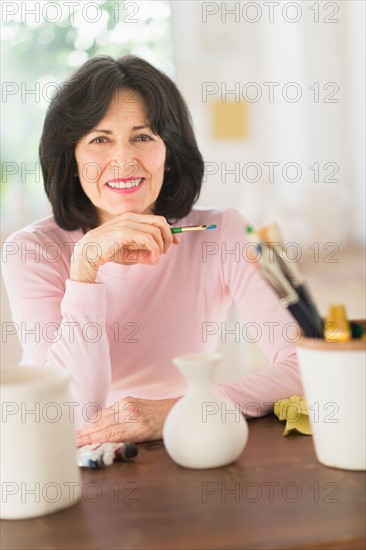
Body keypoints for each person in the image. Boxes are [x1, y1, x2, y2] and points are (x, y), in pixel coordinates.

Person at [2, 55, 303, 446]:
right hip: (63, 459)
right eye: (99, 139)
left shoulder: (221, 232)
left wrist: (184, 410)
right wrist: (85, 269)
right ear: (72, 160)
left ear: (170, 153)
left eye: (143, 137)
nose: (124, 160)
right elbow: (69, 414)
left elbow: (304, 365)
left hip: (181, 444)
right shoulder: (31, 251)